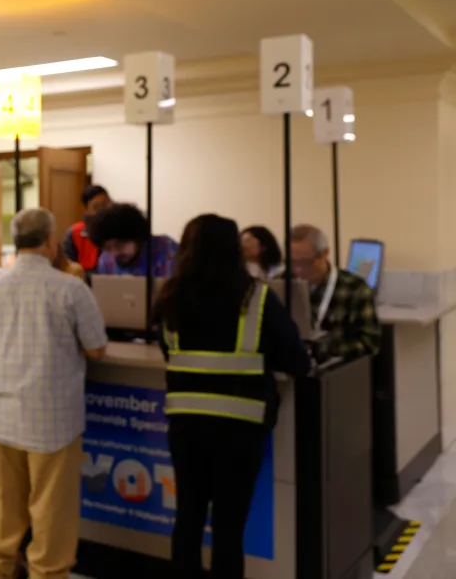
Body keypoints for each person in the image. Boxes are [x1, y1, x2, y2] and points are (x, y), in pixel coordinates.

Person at [153, 214, 311, 579]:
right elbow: (296, 360)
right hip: (240, 429)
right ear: (234, 250)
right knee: (228, 526)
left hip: (186, 426)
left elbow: (169, 351)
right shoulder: (257, 296)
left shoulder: (170, 296)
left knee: (188, 517)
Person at [0, 208, 108, 579]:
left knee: (4, 504)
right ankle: (47, 573)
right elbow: (97, 347)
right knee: (51, 509)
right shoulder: (70, 288)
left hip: (1, 415)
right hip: (52, 420)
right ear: (51, 242)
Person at [289, 224, 380, 357]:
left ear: (325, 254)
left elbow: (370, 343)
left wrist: (320, 350)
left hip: (335, 370)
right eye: (292, 262)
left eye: (306, 262)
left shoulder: (354, 288)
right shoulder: (281, 284)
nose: (298, 270)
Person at [89, 203, 178, 277]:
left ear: (137, 237)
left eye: (120, 245)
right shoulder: (106, 260)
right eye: (107, 248)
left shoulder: (167, 250)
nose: (114, 253)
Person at [61, 184, 112, 272]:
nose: (103, 210)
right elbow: (68, 266)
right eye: (96, 207)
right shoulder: (74, 232)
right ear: (85, 210)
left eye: (106, 204)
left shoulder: (120, 230)